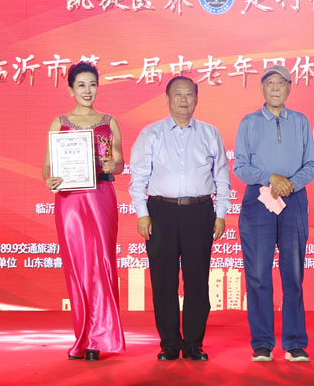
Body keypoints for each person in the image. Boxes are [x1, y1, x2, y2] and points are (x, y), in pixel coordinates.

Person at [129, 76, 230, 361]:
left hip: (200, 211)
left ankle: (194, 344)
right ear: (167, 99)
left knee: (197, 280)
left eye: (189, 94)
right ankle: (170, 343)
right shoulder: (151, 133)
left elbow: (222, 177)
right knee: (164, 280)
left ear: (197, 99)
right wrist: (142, 214)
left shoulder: (210, 133)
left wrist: (220, 214)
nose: (183, 99)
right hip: (161, 212)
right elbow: (138, 179)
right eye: (177, 94)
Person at [234, 65, 314, 362]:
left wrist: (290, 184)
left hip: (293, 200)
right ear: (262, 88)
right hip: (259, 199)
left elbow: (312, 164)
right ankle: (262, 343)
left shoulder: (300, 121)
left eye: (280, 83)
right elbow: (241, 167)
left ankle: (295, 342)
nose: (275, 88)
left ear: (289, 88)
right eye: (269, 82)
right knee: (258, 273)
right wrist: (271, 178)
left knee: (293, 273)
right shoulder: (249, 122)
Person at [42, 61, 126, 361]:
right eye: (81, 85)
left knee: (102, 263)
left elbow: (120, 162)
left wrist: (113, 165)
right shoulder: (60, 123)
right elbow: (48, 165)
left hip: (101, 196)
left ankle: (99, 337)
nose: (87, 90)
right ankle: (83, 336)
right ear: (70, 90)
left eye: (92, 84)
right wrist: (49, 179)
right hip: (70, 201)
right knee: (77, 266)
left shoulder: (109, 122)